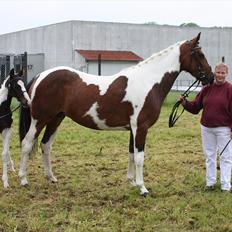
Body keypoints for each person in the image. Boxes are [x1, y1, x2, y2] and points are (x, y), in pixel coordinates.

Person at [180, 62, 232, 191]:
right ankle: (210, 183)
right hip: (206, 128)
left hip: (224, 129)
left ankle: (226, 185)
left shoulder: (230, 89)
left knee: (226, 157)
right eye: (218, 72)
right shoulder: (207, 88)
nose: (220, 75)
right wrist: (184, 103)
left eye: (223, 73)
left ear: (227, 74)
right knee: (209, 156)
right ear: (214, 72)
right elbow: (196, 107)